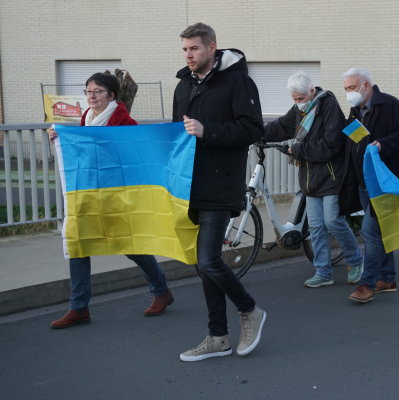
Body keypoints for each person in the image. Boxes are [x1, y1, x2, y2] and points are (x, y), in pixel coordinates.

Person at [47, 72, 173, 329]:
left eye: (97, 92)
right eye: (88, 92)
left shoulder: (125, 123)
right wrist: (61, 139)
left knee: (131, 245)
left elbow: (136, 157)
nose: (91, 96)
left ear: (112, 95)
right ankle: (79, 307)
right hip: (90, 193)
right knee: (79, 243)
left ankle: (161, 291)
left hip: (118, 196)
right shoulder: (87, 120)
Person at [173, 23, 266, 361]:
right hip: (191, 185)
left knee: (209, 259)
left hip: (221, 182)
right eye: (184, 49)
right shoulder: (183, 85)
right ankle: (218, 336)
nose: (188, 55)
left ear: (212, 47)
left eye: (194, 49)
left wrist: (207, 131)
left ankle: (250, 310)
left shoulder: (238, 81)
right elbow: (177, 134)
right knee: (203, 264)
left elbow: (252, 129)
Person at [263, 71, 363, 288]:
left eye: (301, 98)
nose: (298, 103)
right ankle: (323, 272)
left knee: (333, 221)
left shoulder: (328, 106)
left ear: (311, 90)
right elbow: (281, 126)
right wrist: (254, 133)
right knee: (316, 227)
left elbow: (331, 144)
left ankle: (356, 261)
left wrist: (298, 149)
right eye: (295, 100)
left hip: (331, 176)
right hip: (309, 178)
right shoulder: (301, 109)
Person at [340, 68, 399, 303]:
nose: (349, 93)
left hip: (384, 182)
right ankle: (388, 278)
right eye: (346, 89)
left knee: (371, 232)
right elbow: (354, 139)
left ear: (366, 85)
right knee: (381, 233)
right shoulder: (356, 109)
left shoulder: (391, 105)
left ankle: (367, 283)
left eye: (352, 88)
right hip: (364, 181)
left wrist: (383, 144)